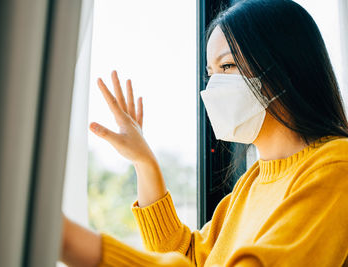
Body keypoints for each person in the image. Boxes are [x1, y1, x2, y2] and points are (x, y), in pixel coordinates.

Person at [60, 0, 348, 266]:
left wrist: (77, 243)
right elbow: (189, 256)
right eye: (211, 73)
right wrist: (144, 163)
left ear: (284, 68)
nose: (213, 88)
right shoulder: (254, 181)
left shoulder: (337, 168)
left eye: (227, 65)